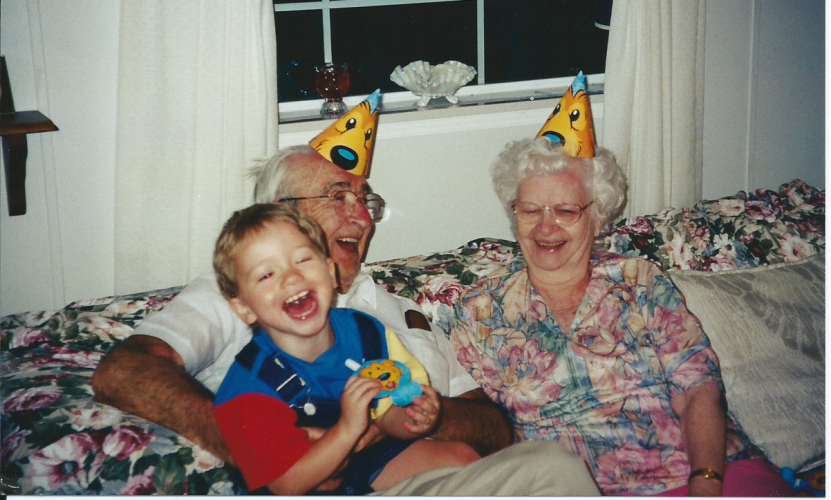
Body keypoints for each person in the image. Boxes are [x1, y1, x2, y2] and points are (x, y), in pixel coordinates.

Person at [92, 144, 601, 495]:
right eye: (337, 196)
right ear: (278, 212)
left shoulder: (399, 313)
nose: (360, 216)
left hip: (420, 478)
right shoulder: (239, 293)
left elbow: (493, 426)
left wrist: (419, 416)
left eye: (365, 200)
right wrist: (269, 451)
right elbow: (124, 371)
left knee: (556, 468)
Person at [450, 137, 797, 496]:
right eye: (530, 210)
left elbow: (697, 392)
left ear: (598, 218)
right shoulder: (480, 309)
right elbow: (481, 430)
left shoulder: (639, 281)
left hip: (704, 474)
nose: (546, 226)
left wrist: (705, 482)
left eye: (566, 211)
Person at [211, 203, 479, 495]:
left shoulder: (367, 333)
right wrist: (348, 429)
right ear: (245, 308)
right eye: (266, 275)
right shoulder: (247, 386)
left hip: (369, 459)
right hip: (303, 479)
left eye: (302, 260)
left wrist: (414, 417)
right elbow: (287, 483)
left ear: (330, 272)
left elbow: (388, 412)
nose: (291, 277)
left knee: (462, 460)